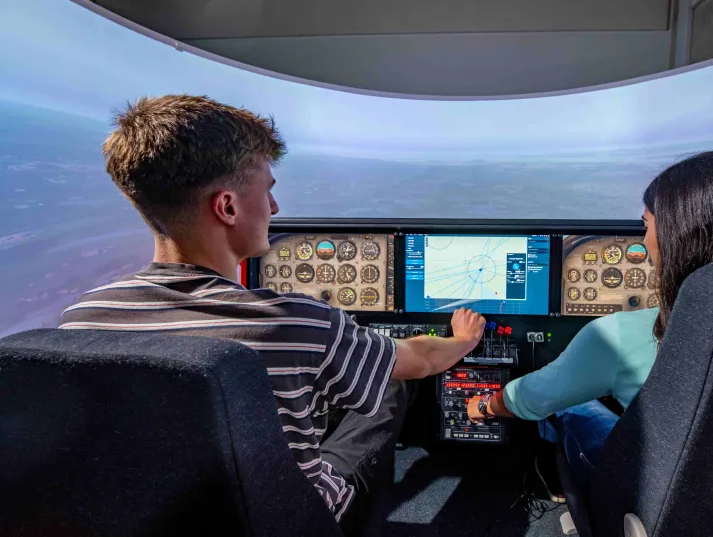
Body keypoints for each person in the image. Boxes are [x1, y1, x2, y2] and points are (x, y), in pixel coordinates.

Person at [58, 94, 486, 533]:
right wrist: (464, 339)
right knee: (390, 383)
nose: (275, 208)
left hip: (158, 520)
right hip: (294, 520)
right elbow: (422, 360)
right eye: (268, 190)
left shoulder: (81, 321)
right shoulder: (295, 322)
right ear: (227, 207)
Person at [467, 151, 713, 492]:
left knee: (572, 404)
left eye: (647, 226)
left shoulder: (623, 336)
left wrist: (484, 405)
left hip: (651, 498)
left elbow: (536, 396)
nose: (643, 241)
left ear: (676, 239)